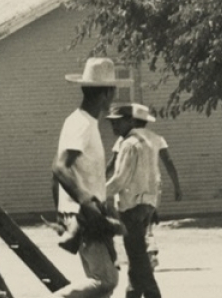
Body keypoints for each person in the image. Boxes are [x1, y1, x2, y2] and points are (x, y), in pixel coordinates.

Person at [51, 57, 128, 298]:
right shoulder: (83, 124)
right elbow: (60, 167)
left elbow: (58, 174)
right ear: (105, 93)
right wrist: (85, 201)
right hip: (84, 214)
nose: (115, 95)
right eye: (113, 90)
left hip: (81, 212)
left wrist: (61, 211)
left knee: (99, 289)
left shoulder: (79, 121)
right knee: (105, 280)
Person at [104, 103, 162, 298]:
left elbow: (120, 179)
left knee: (138, 260)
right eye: (112, 123)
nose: (114, 127)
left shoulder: (128, 144)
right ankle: (133, 294)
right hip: (146, 205)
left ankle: (153, 295)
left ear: (130, 121)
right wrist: (153, 204)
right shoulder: (151, 140)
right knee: (137, 258)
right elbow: (156, 177)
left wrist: (97, 194)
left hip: (131, 207)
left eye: (118, 123)